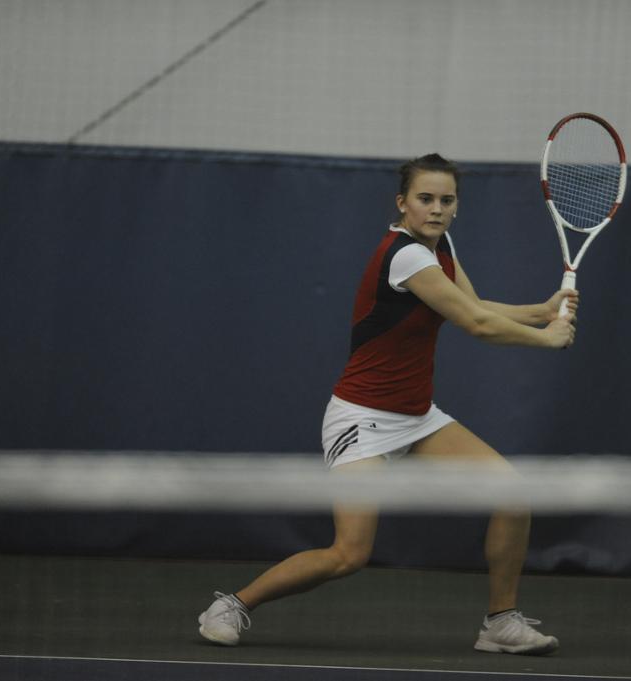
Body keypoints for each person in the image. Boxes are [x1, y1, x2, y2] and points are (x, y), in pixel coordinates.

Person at [198, 153, 577, 655]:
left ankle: (500, 623)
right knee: (349, 554)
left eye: (446, 200)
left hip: (417, 417)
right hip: (361, 417)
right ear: (403, 204)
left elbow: (476, 305)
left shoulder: (440, 249)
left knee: (512, 495)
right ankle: (233, 605)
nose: (436, 209)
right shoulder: (407, 256)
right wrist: (547, 339)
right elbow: (477, 326)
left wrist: (540, 310)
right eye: (425, 199)